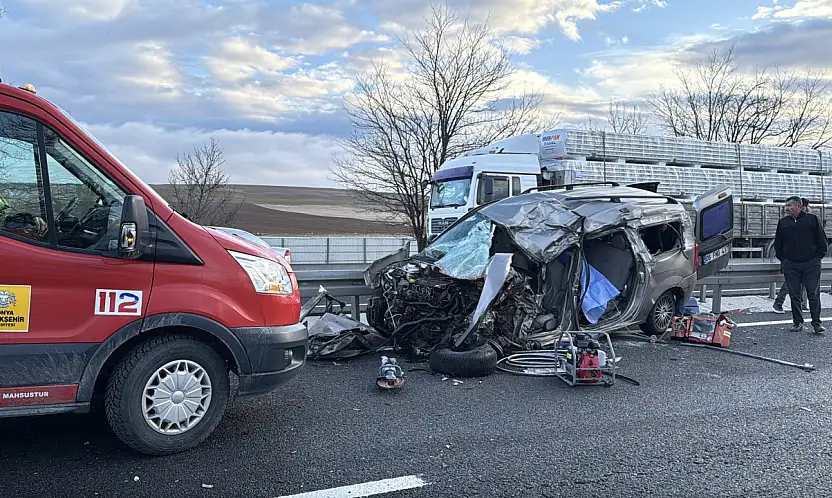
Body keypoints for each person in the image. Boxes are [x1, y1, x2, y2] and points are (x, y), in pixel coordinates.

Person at [773, 196, 827, 333]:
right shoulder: (783, 222)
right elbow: (778, 243)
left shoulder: (812, 220)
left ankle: (816, 323)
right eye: (786, 205)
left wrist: (817, 257)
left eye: (790, 205)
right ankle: (797, 322)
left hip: (811, 264)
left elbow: (822, 240)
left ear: (799, 206)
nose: (787, 208)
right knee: (794, 294)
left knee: (813, 294)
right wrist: (784, 260)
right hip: (791, 264)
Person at [773, 198, 811, 313]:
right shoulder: (788, 222)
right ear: (801, 207)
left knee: (801, 281)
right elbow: (780, 242)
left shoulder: (809, 220)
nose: (809, 208)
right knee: (790, 282)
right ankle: (778, 303)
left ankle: (801, 304)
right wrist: (784, 259)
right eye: (807, 206)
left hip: (804, 259)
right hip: (791, 260)